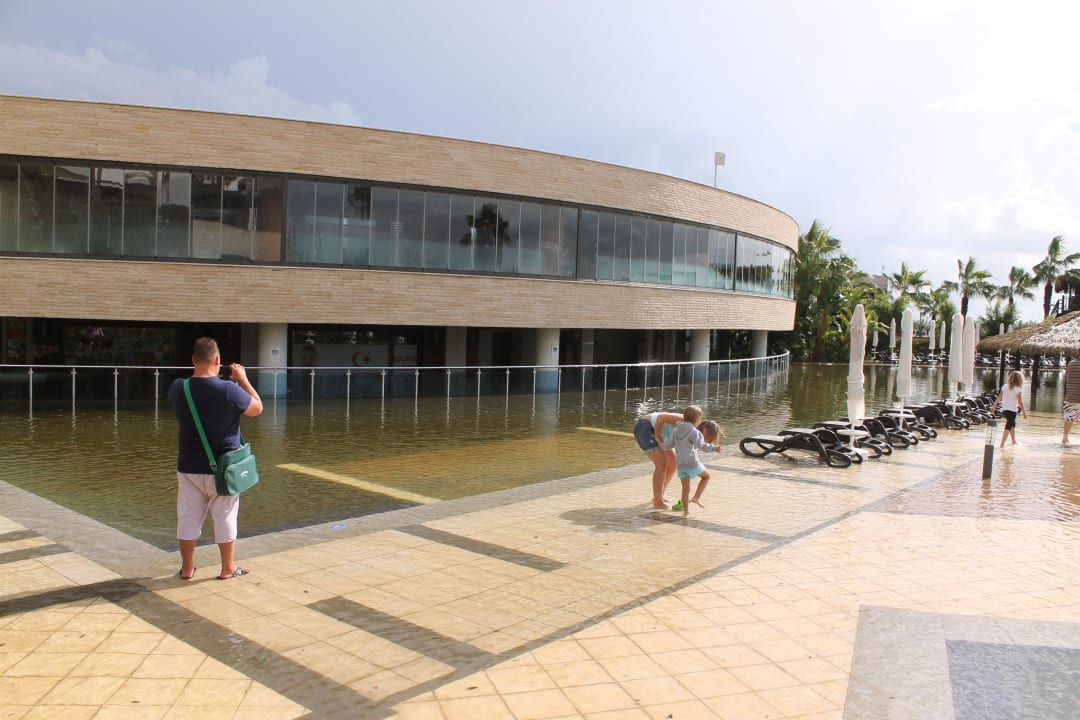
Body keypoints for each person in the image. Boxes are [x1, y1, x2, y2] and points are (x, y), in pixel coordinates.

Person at [168, 337, 263, 580]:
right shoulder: (229, 390)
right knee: (225, 516)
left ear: (193, 360)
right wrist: (242, 380)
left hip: (188, 466)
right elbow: (256, 409)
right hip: (224, 468)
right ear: (218, 360)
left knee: (188, 517)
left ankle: (187, 568)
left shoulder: (179, 387)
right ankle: (227, 568)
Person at [634, 406, 697, 509]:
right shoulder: (686, 420)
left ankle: (658, 497)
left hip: (658, 435)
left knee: (673, 463)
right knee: (661, 464)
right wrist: (657, 435)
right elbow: (662, 417)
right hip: (645, 428)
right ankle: (658, 502)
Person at [662, 413, 722, 517]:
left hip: (681, 465)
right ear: (705, 431)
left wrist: (659, 442)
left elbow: (668, 445)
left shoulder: (676, 431)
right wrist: (714, 448)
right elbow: (702, 446)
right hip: (692, 463)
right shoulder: (695, 433)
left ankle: (686, 512)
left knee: (686, 489)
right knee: (706, 477)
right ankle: (696, 497)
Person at [991, 370, 1027, 448]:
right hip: (1012, 410)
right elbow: (1020, 402)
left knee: (1012, 424)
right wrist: (1024, 412)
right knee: (1009, 425)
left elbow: (999, 397)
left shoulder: (1005, 386)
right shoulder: (1018, 389)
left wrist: (994, 406)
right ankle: (1002, 444)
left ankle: (1013, 441)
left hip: (1004, 409)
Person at [1064, 355, 1080, 446]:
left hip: (1070, 396)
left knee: (1069, 418)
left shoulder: (1071, 363)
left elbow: (1066, 378)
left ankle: (1065, 437)